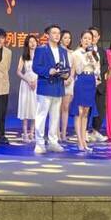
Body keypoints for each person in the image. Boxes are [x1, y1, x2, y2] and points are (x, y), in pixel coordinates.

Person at [32, 24, 69, 154]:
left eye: (58, 33)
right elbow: (35, 67)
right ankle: (39, 143)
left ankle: (53, 142)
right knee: (41, 115)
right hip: (45, 86)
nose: (57, 35)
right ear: (47, 35)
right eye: (54, 33)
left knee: (55, 116)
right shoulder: (41, 49)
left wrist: (66, 74)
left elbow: (67, 67)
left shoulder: (63, 51)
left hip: (58, 87)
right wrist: (48, 71)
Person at [70, 30, 101, 152]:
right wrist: (86, 59)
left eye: (89, 39)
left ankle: (84, 140)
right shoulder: (76, 53)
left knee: (86, 112)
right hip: (81, 80)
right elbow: (78, 70)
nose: (87, 41)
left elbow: (97, 71)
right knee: (79, 111)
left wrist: (92, 60)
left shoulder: (94, 53)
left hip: (90, 81)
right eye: (85, 38)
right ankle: (79, 141)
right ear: (81, 39)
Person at [87, 26, 109, 143]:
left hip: (100, 84)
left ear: (98, 37)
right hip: (88, 83)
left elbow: (106, 64)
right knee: (86, 109)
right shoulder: (85, 50)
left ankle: (96, 131)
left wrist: (99, 72)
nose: (93, 38)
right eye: (91, 36)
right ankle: (84, 132)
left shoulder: (102, 51)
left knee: (100, 109)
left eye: (95, 36)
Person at [17, 34, 39, 143]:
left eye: (34, 41)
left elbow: (42, 71)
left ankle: (32, 133)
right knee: (26, 108)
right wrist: (28, 81)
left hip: (37, 83)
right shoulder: (24, 56)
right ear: (27, 44)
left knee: (35, 108)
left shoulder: (40, 56)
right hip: (26, 84)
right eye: (30, 41)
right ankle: (25, 133)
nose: (33, 43)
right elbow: (18, 71)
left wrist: (35, 81)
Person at [59, 30, 74, 142]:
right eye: (65, 38)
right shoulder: (56, 51)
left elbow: (73, 67)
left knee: (65, 107)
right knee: (56, 108)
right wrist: (61, 79)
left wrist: (70, 78)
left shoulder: (72, 53)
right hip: (58, 82)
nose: (67, 40)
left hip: (69, 82)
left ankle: (63, 133)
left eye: (69, 38)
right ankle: (55, 133)